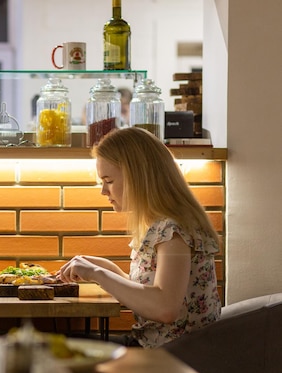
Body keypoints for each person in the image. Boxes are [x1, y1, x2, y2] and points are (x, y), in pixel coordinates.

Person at [58, 127, 221, 348]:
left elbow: (165, 308)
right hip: (159, 348)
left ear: (138, 177)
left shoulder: (174, 231)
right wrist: (104, 269)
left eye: (109, 180)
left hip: (173, 359)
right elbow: (151, 293)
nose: (103, 191)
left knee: (52, 347)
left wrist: (97, 273)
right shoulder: (162, 224)